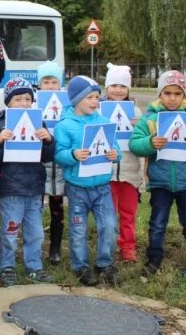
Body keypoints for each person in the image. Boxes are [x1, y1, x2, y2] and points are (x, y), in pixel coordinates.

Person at [129, 70, 186, 276]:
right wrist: (150, 142)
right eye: (167, 93)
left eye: (178, 93)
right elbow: (135, 144)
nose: (173, 98)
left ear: (184, 95)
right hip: (160, 182)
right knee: (157, 224)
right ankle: (154, 258)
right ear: (160, 93)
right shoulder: (149, 119)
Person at [54, 76, 121, 287]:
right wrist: (73, 155)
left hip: (102, 187)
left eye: (96, 97)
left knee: (109, 226)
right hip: (77, 188)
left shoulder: (104, 122)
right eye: (89, 97)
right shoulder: (64, 125)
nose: (94, 101)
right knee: (78, 228)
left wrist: (114, 154)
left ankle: (105, 263)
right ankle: (80, 265)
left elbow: (117, 150)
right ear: (76, 100)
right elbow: (58, 154)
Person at [0, 78, 54, 287]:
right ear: (8, 102)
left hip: (34, 187)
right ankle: (7, 266)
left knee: (35, 232)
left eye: (28, 98)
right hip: (10, 188)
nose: (24, 103)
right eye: (18, 99)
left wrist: (49, 140)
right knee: (9, 231)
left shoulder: (38, 122)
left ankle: (33, 266)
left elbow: (46, 156)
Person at [103, 63, 143, 262]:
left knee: (128, 214)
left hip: (130, 173)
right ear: (106, 87)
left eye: (123, 86)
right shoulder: (98, 110)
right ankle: (108, 246)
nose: (118, 90)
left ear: (129, 89)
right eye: (114, 85)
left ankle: (128, 246)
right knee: (108, 215)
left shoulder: (136, 112)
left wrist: (139, 128)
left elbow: (142, 143)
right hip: (107, 173)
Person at [37, 60, 67, 264]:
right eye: (45, 82)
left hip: (61, 164)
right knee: (36, 208)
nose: (49, 86)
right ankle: (35, 246)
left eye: (53, 81)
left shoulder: (69, 106)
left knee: (57, 208)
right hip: (40, 165)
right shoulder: (32, 105)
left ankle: (55, 247)